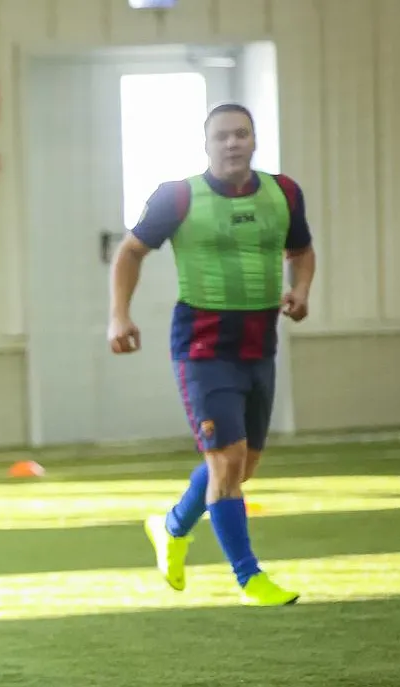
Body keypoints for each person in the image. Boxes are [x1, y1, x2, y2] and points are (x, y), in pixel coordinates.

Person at [110, 103, 315, 606]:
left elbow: (302, 250)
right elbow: (130, 250)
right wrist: (119, 314)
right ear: (206, 144)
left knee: (242, 466)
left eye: (241, 134)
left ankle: (171, 526)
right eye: (222, 136)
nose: (232, 143)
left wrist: (302, 289)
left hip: (259, 343)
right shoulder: (178, 197)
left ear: (254, 140)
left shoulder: (283, 193)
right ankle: (250, 578)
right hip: (202, 346)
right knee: (226, 464)